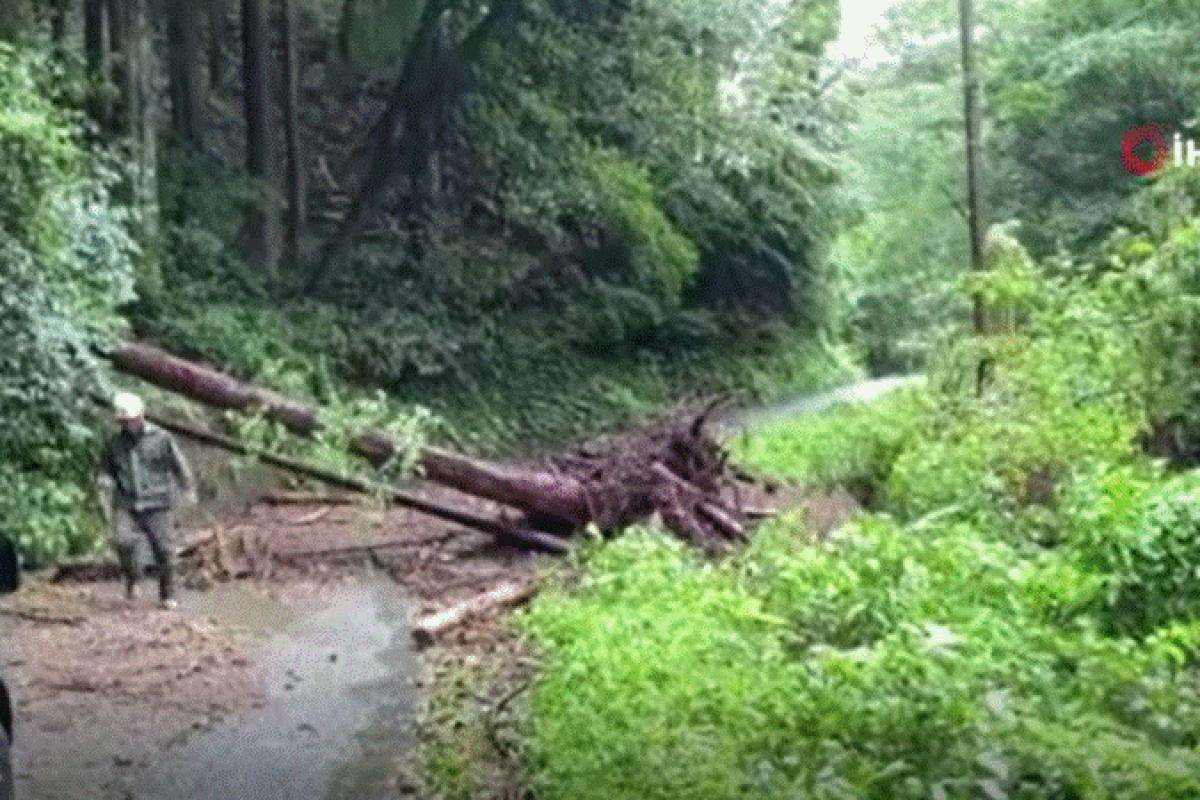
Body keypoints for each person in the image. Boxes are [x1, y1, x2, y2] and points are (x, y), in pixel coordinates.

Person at [95, 392, 196, 609]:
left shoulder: (162, 439)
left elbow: (179, 466)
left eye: (131, 419)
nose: (128, 423)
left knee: (164, 550)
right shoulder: (114, 443)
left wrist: (188, 488)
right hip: (126, 503)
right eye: (124, 420)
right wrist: (103, 482)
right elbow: (105, 470)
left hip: (157, 503)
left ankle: (167, 595)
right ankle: (132, 579)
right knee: (123, 541)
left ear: (141, 416)